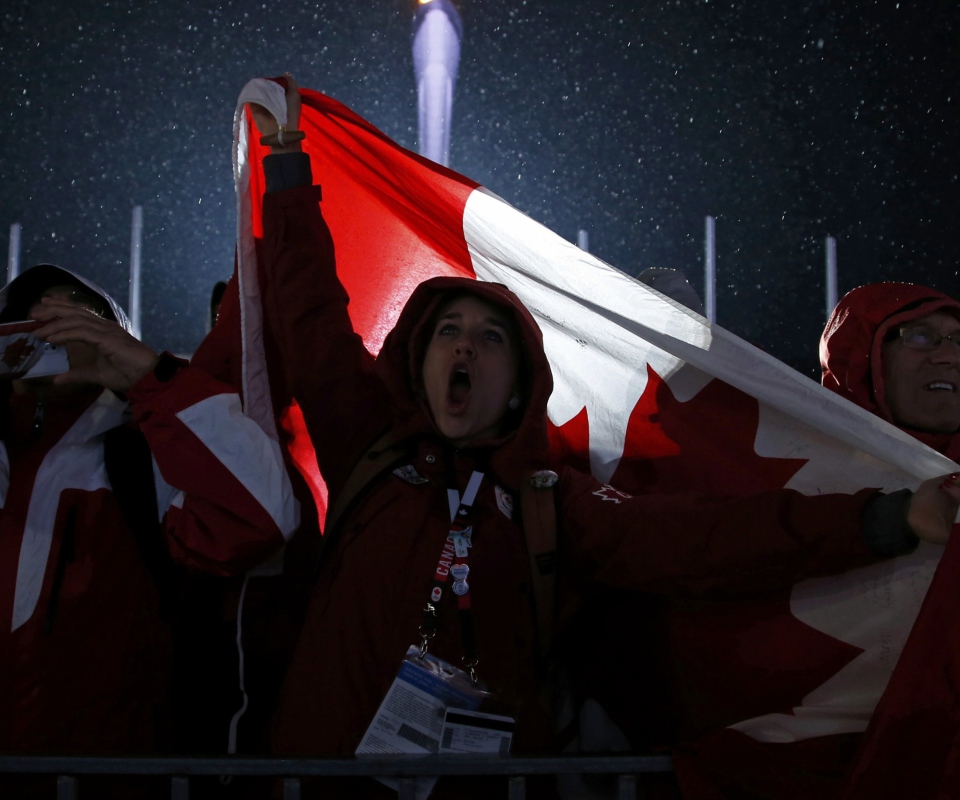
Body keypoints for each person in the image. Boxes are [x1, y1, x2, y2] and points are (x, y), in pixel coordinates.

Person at [248, 77, 960, 798]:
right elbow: (311, 313)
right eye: (448, 333)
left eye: (491, 337)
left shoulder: (551, 506)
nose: (465, 348)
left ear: (523, 381)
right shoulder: (370, 447)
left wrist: (891, 518)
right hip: (323, 774)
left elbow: (712, 539)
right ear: (416, 356)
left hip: (481, 786)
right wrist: (287, 162)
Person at [0, 265, 299, 796]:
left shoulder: (143, 452)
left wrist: (150, 378)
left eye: (77, 315)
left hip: (101, 775)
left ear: (115, 338)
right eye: (31, 317)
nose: (52, 327)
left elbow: (262, 517)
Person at [821, 281, 960, 454]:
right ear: (863, 366)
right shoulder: (797, 470)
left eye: (958, 342)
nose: (951, 356)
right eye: (920, 336)